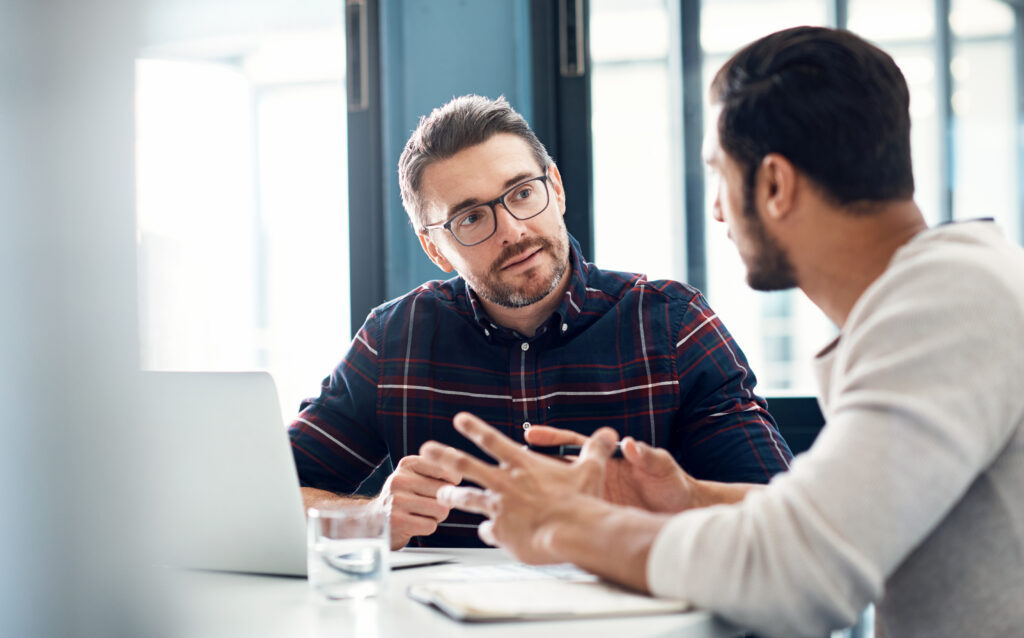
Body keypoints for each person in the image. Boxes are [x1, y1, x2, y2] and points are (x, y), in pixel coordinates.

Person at [422, 26, 1024, 637]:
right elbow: (835, 519)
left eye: (719, 174)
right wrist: (688, 497)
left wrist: (567, 526)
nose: (715, 209)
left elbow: (799, 574)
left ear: (773, 186)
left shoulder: (946, 306)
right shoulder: (949, 293)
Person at [288, 95, 792, 549]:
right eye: (470, 218)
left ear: (555, 188)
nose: (512, 229)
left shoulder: (674, 325)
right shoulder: (392, 341)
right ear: (433, 248)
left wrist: (669, 500)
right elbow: (269, 498)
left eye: (523, 192)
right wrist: (368, 517)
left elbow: (781, 518)